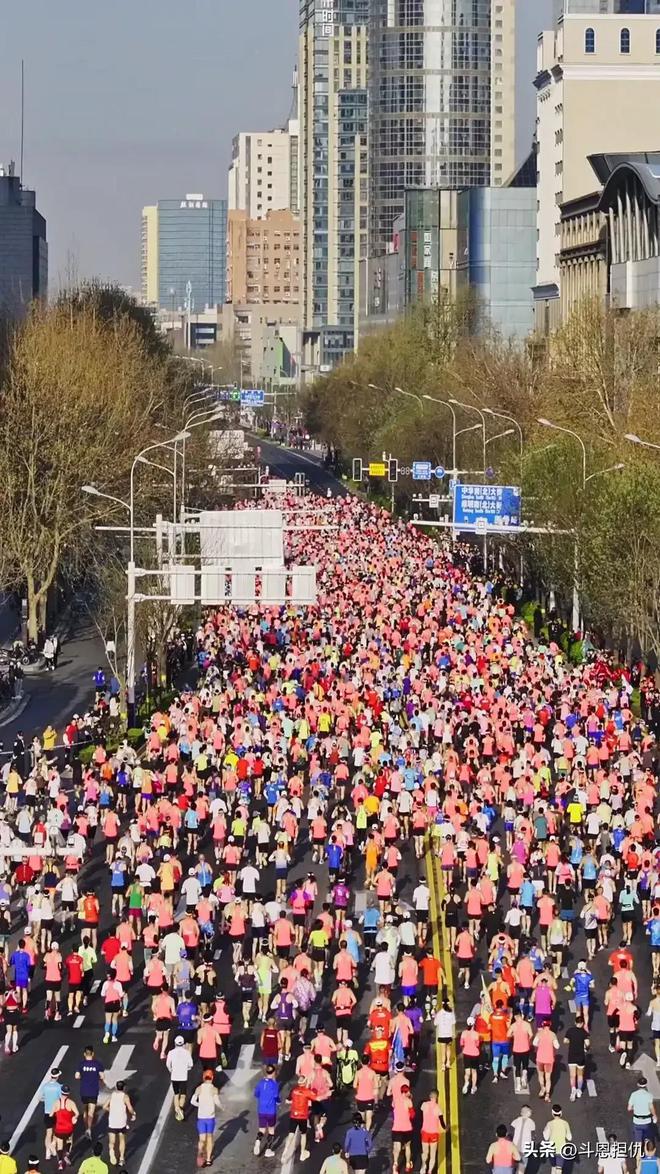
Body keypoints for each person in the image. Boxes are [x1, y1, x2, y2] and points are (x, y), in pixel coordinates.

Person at [190, 1071, 221, 1169]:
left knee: (202, 1139)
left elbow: (192, 1101)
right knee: (210, 1138)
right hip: (210, 1118)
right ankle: (208, 1160)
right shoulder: (214, 1089)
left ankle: (200, 1151)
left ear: (203, 1078)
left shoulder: (199, 1089)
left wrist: (200, 1105)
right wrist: (223, 1107)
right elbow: (217, 1102)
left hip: (201, 1118)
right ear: (212, 1078)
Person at [75, 1046, 105, 1138]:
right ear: (93, 1053)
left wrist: (84, 1077)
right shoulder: (97, 1064)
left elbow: (77, 1076)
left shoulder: (81, 1064)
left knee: (85, 1110)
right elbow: (102, 1076)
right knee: (91, 1112)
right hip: (93, 1090)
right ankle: (89, 1129)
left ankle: (86, 1128)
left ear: (84, 1054)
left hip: (84, 1090)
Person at [106, 1081, 135, 1169]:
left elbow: (104, 1106)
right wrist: (133, 1114)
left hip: (112, 1122)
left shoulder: (112, 1095)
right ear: (124, 1088)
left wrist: (112, 1110)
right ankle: (121, 1158)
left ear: (116, 1087)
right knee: (122, 1140)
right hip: (121, 1122)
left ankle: (111, 1150)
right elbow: (130, 1108)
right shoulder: (125, 1097)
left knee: (112, 1141)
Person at [166, 1035, 194, 1122]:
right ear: (183, 1043)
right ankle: (180, 1110)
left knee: (176, 1094)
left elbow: (168, 1064)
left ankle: (177, 1110)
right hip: (183, 1076)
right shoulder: (186, 1053)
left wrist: (171, 1070)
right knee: (183, 1095)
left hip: (174, 1076)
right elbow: (191, 1064)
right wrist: (187, 1068)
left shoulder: (171, 1052)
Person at [253, 1066, 280, 1156]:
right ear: (273, 1073)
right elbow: (276, 1096)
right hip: (271, 1110)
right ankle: (268, 1150)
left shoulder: (260, 1083)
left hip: (261, 1110)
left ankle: (258, 1142)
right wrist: (279, 1102)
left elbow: (256, 1094)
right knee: (271, 1129)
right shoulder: (274, 1084)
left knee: (261, 1129)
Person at [51, 1085, 79, 1171]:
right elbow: (77, 1113)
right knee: (69, 1141)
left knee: (59, 1146)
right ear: (68, 1093)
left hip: (59, 1128)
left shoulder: (56, 1103)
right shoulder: (71, 1103)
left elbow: (51, 1114)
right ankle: (66, 1155)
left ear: (61, 1092)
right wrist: (74, 1118)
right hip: (68, 1128)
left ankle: (60, 1163)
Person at [419, 1090, 446, 1174]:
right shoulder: (438, 1108)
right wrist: (446, 1128)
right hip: (434, 1133)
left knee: (425, 1152)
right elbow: (442, 1122)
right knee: (433, 1154)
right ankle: (430, 1171)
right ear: (437, 1097)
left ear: (430, 1096)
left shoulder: (424, 1105)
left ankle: (423, 1167)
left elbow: (421, 1115)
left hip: (425, 1131)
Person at [627, 1076, 658, 1149]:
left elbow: (629, 1108)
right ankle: (648, 1155)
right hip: (647, 1122)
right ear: (646, 1084)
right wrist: (655, 1115)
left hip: (637, 1121)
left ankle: (638, 1158)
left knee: (638, 1142)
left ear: (638, 1084)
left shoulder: (634, 1094)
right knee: (647, 1139)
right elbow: (651, 1107)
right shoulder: (649, 1095)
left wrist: (636, 1107)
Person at [40, 1066, 63, 1161]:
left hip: (47, 1112)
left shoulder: (45, 1086)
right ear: (57, 1076)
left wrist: (47, 1100)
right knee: (56, 1132)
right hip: (56, 1113)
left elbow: (40, 1098)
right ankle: (53, 1148)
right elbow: (61, 1100)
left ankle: (47, 1152)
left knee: (48, 1133)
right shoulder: (59, 1087)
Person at [542, 1106, 572, 1174]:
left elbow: (546, 1137)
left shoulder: (549, 1123)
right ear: (561, 1113)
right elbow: (569, 1137)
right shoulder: (565, 1123)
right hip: (561, 1149)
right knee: (559, 1168)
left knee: (553, 1166)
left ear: (552, 1113)